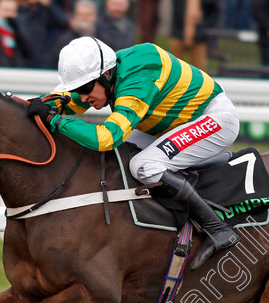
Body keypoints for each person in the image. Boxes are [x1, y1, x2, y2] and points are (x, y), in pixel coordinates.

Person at [26, 36, 240, 269]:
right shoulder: (110, 73)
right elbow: (77, 100)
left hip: (213, 119)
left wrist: (54, 120)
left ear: (106, 75)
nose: (84, 96)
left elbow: (106, 138)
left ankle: (217, 228)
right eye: (79, 89)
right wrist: (49, 104)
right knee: (117, 159)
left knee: (143, 165)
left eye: (85, 88)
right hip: (170, 125)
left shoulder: (137, 79)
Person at [154, 0, 220, 71]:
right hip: (178, 32)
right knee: (174, 70)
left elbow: (215, 11)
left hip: (200, 35)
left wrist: (207, 28)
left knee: (200, 71)